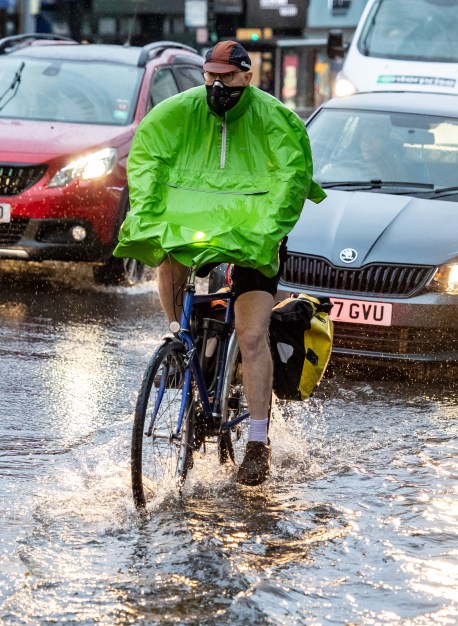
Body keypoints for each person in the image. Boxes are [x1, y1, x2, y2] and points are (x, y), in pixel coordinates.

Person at [114, 41, 325, 486]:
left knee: (251, 337)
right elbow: (148, 156)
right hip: (197, 226)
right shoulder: (178, 112)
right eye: (211, 76)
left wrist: (266, 231)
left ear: (248, 77)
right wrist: (148, 215)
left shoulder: (275, 119)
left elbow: (292, 179)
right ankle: (179, 341)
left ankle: (257, 443)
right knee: (169, 256)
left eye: (227, 78)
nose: (216, 84)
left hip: (254, 235)